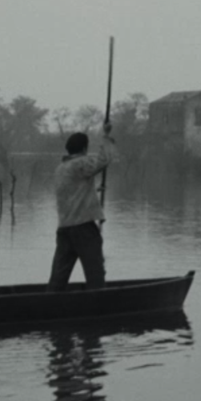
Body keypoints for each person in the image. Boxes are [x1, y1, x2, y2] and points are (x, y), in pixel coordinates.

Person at [48, 124, 115, 291]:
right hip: (83, 229)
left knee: (59, 276)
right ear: (84, 148)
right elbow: (104, 160)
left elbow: (72, 191)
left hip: (64, 229)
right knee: (95, 273)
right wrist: (106, 137)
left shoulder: (61, 168)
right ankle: (98, 304)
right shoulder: (81, 163)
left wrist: (93, 190)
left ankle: (49, 303)